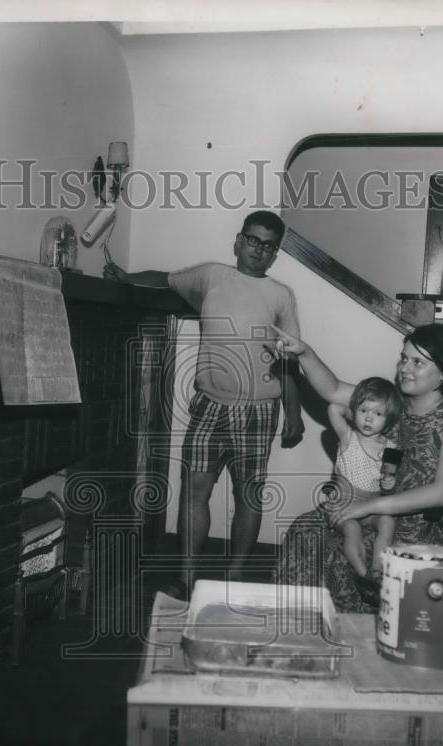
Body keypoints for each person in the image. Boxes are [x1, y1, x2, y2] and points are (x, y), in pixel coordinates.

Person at [103, 210, 303, 598]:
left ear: (275, 253)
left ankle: (236, 577)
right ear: (238, 240)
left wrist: (293, 415)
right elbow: (164, 279)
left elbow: (291, 359)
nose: (258, 250)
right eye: (252, 240)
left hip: (258, 411)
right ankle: (188, 578)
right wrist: (126, 277)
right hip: (209, 404)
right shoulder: (211, 276)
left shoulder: (281, 296)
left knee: (248, 493)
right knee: (194, 491)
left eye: (268, 245)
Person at [271, 323, 443, 612]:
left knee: (333, 548)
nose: (404, 368)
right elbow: (333, 390)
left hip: (431, 525)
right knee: (306, 528)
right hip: (375, 508)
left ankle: (355, 631)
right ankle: (304, 627)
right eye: (404, 358)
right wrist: (304, 353)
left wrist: (368, 509)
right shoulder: (393, 404)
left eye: (418, 362)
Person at [326, 377, 401, 588]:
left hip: (370, 507)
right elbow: (333, 408)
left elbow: (389, 478)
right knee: (352, 529)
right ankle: (364, 574)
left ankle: (377, 570)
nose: (369, 419)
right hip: (343, 504)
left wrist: (389, 483)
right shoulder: (348, 438)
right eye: (364, 411)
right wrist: (353, 410)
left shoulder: (392, 448)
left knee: (387, 521)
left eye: (378, 414)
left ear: (389, 418)